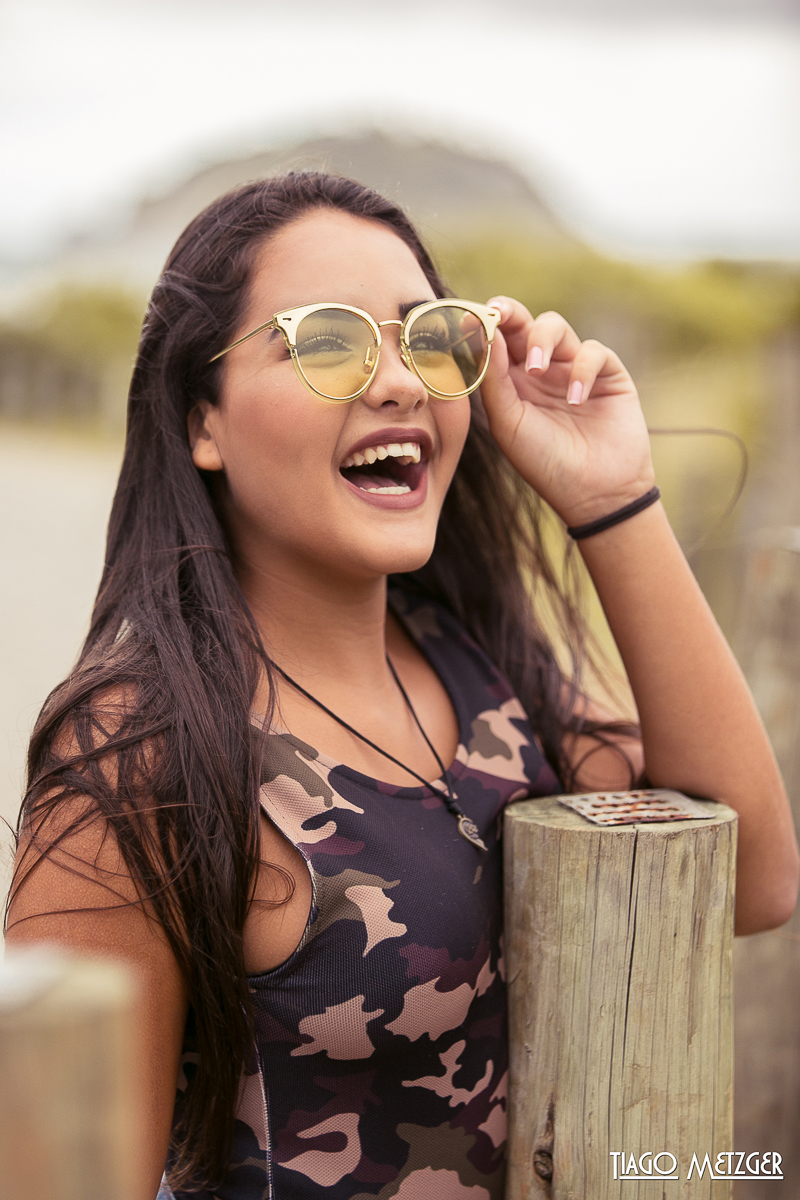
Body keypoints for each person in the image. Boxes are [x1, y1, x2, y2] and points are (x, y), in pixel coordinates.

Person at [5, 172, 798, 1200]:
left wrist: (610, 498)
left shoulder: (489, 677)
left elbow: (749, 879)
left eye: (430, 338)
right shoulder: (139, 762)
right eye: (328, 342)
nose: (400, 381)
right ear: (203, 420)